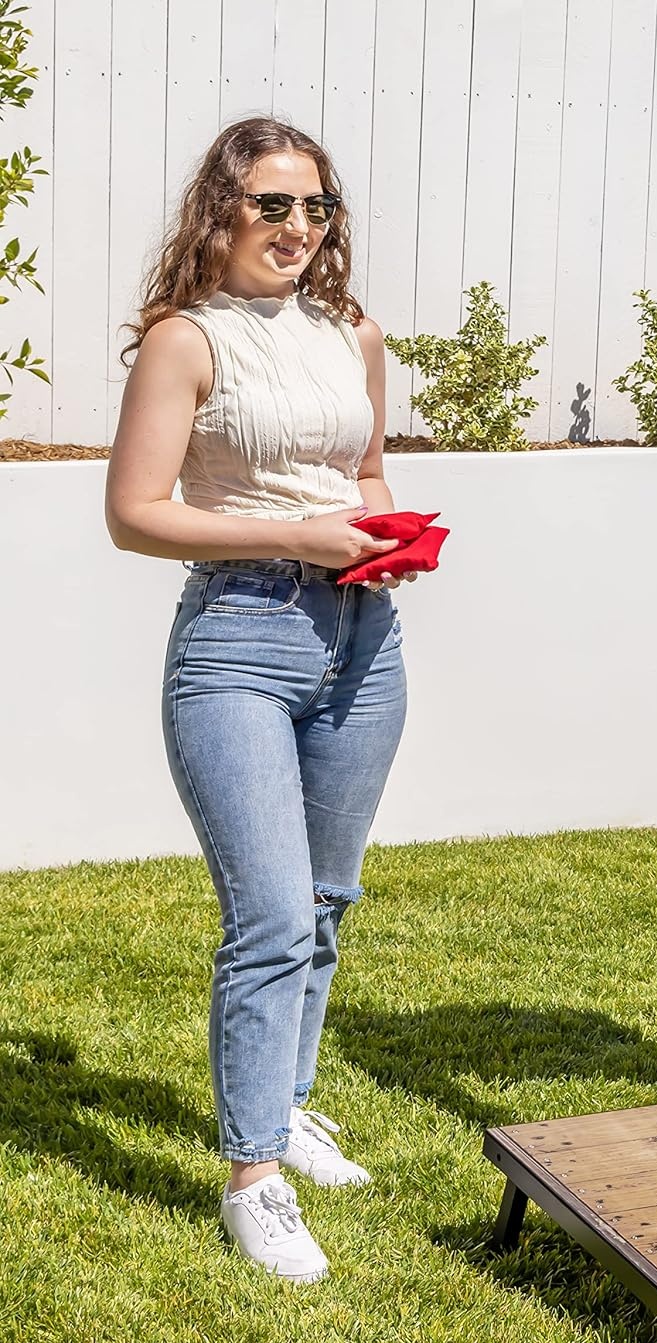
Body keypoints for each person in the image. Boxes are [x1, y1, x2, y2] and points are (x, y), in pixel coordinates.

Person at [105, 118, 417, 1282]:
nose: (297, 229)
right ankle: (254, 1177)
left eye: (317, 208)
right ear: (222, 211)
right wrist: (297, 533)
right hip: (239, 634)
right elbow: (134, 513)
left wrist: (389, 534)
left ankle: (286, 1107)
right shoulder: (185, 340)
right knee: (272, 913)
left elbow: (367, 471)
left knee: (327, 900)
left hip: (363, 635)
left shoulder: (353, 336)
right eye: (273, 205)